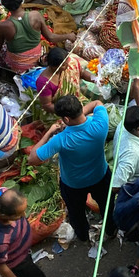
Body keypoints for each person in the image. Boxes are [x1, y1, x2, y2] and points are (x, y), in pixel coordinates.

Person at [27, 96, 114, 243]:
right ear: (80, 107)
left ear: (66, 119)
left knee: (76, 213)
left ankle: (83, 236)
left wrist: (49, 132)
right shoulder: (100, 124)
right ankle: (111, 229)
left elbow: (33, 159)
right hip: (101, 176)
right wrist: (78, 115)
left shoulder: (60, 139)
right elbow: (97, 103)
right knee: (108, 206)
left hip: (73, 184)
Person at [0, 0, 73, 74]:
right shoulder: (35, 16)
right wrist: (69, 36)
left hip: (18, 65)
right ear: (21, 0)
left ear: (4, 5)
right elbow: (51, 37)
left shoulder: (3, 26)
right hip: (37, 57)